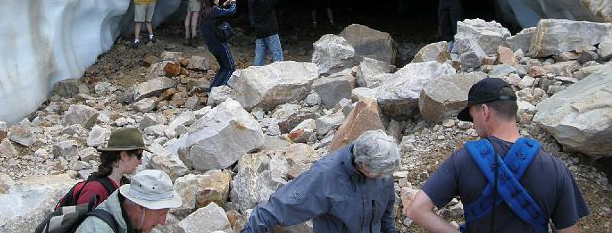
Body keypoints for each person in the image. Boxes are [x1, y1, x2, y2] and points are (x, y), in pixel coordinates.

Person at [405, 78, 590, 232]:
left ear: (484, 111)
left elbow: (417, 209)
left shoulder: (462, 160)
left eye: (473, 116)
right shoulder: (556, 168)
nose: (473, 125)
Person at [242, 130, 401, 233]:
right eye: (380, 174)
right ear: (363, 165)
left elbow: (386, 214)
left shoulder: (382, 172)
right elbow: (275, 209)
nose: (384, 178)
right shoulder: (324, 177)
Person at [56, 128, 147, 209]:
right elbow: (83, 226)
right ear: (124, 155)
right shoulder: (94, 189)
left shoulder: (124, 184)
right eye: (139, 156)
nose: (140, 162)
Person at [75, 169, 182, 233]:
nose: (163, 221)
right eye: (161, 213)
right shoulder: (96, 229)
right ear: (140, 207)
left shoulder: (131, 222)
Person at [199, 0, 237, 90]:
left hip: (212, 46)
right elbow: (231, 12)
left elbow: (217, 13)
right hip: (220, 44)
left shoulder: (204, 11)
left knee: (224, 68)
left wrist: (224, 4)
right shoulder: (214, 11)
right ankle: (218, 91)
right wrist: (233, 1)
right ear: (213, 1)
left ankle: (211, 90)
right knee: (230, 68)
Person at [248, 0, 285, 65]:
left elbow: (262, 0)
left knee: (259, 59)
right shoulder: (268, 0)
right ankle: (279, 75)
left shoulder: (252, 2)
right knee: (277, 56)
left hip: (259, 34)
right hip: (271, 33)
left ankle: (255, 76)